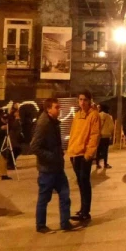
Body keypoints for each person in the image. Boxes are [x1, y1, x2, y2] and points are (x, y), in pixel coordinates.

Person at [30, 97, 76, 233]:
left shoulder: (53, 122)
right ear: (49, 109)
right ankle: (41, 225)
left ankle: (65, 222)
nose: (59, 109)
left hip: (57, 167)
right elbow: (34, 146)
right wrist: (51, 156)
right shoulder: (43, 124)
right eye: (56, 107)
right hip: (47, 169)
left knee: (65, 194)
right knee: (44, 198)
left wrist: (59, 152)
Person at [66, 90, 100, 223]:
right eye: (80, 99)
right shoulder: (77, 115)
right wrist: (70, 151)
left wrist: (88, 154)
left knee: (85, 182)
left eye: (85, 99)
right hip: (75, 153)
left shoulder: (94, 115)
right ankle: (82, 209)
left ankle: (86, 212)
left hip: (84, 154)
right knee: (80, 183)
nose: (82, 102)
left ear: (90, 100)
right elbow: (73, 133)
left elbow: (94, 136)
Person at [96, 102, 115, 171]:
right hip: (106, 136)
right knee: (105, 150)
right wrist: (109, 132)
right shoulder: (109, 116)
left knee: (98, 150)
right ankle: (105, 163)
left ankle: (97, 164)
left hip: (98, 136)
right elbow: (112, 127)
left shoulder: (97, 115)